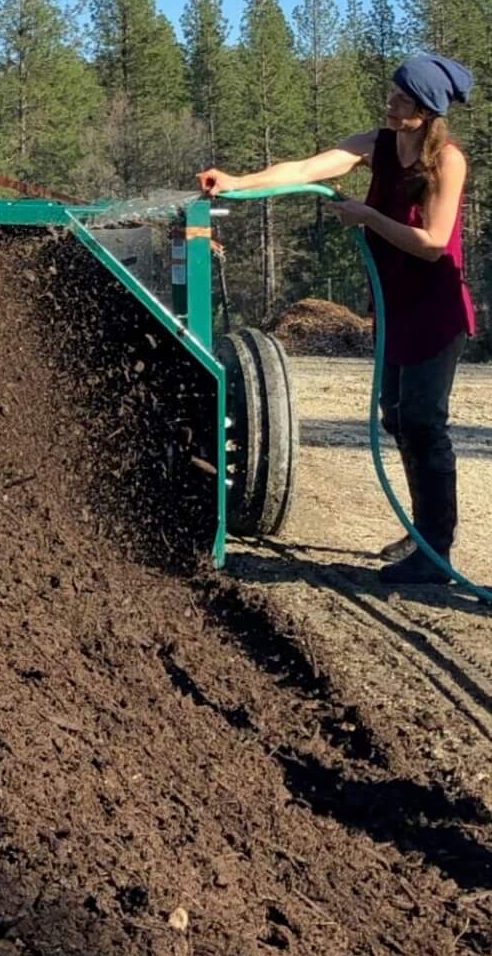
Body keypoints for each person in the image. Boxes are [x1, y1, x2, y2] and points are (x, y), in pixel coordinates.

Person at [197, 52, 477, 586]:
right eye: (392, 95)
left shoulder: (446, 160)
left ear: (425, 109)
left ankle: (435, 551)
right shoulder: (376, 143)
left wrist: (367, 215)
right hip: (394, 304)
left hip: (436, 309)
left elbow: (434, 244)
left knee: (422, 420)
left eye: (400, 98)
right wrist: (235, 182)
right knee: (396, 416)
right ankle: (424, 532)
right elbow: (304, 170)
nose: (390, 104)